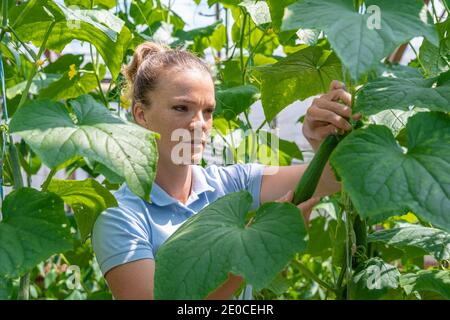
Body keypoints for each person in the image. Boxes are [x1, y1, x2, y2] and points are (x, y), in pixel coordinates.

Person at [91, 41, 358, 300]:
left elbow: (334, 178)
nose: (199, 124)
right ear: (141, 114)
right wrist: (257, 250)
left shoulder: (231, 183)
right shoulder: (119, 217)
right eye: (181, 108)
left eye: (208, 111)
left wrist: (322, 140)